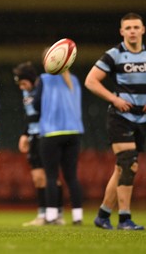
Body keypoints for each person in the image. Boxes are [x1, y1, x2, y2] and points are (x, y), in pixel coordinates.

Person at [85, 12, 146, 230]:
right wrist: (114, 98)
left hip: (142, 117)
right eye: (128, 28)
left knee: (123, 168)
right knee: (128, 164)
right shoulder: (113, 55)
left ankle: (103, 215)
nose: (132, 31)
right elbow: (91, 81)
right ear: (122, 32)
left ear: (143, 30)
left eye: (136, 27)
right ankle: (124, 219)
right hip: (119, 116)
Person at [12, 61, 65, 226]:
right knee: (37, 178)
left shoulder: (45, 89)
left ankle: (57, 214)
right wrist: (24, 134)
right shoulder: (25, 94)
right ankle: (43, 214)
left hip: (47, 135)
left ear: (31, 79)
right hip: (33, 137)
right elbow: (28, 116)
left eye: (23, 83)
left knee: (51, 177)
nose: (22, 87)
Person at [34, 58, 84, 225]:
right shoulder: (75, 79)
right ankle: (78, 216)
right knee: (72, 176)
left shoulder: (44, 78)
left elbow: (36, 104)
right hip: (74, 132)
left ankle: (51, 215)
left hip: (51, 132)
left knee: (51, 176)